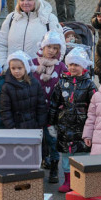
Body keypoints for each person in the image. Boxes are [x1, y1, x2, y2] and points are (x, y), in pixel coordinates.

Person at [50, 48, 96, 193]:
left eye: (76, 65)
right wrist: (51, 123)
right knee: (66, 155)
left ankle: (81, 181)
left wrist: (93, 124)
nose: (73, 67)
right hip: (64, 125)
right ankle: (68, 181)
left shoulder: (89, 84)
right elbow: (54, 104)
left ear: (83, 66)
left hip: (82, 125)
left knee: (82, 154)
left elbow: (95, 105)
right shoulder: (61, 83)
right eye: (70, 64)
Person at [0, 0, 62, 64]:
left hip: (39, 73)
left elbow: (60, 46)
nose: (25, 3)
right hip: (13, 72)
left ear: (36, 0)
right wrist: (3, 65)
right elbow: (1, 44)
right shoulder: (11, 18)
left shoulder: (49, 18)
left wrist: (49, 68)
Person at [33, 31, 66, 183]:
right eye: (49, 47)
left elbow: (66, 86)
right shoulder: (34, 63)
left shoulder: (60, 67)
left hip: (54, 111)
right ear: (43, 47)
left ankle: (54, 166)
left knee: (52, 139)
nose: (51, 51)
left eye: (55, 48)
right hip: (36, 109)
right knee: (37, 139)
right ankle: (36, 165)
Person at [0, 51, 47, 130]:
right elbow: (5, 110)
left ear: (26, 67)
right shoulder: (7, 87)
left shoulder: (34, 83)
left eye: (19, 68)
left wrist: (40, 123)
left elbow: (41, 105)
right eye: (13, 68)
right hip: (16, 126)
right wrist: (11, 126)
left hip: (34, 124)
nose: (16, 71)